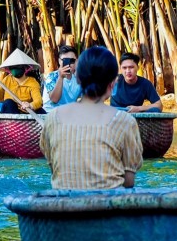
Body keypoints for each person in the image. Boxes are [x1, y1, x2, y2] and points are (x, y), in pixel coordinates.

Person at [40, 46, 143, 189]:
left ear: (79, 79)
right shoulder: (125, 121)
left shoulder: (53, 119)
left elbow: (54, 169)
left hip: (64, 207)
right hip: (107, 207)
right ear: (112, 83)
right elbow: (129, 181)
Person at [0, 48, 46, 114]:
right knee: (9, 102)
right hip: (10, 113)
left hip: (27, 113)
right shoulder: (7, 80)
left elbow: (38, 101)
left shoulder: (32, 82)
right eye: (13, 67)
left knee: (40, 110)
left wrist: (30, 105)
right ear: (9, 69)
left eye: (18, 66)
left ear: (25, 68)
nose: (15, 69)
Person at [42, 45, 81, 112]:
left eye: (71, 60)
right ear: (59, 61)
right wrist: (60, 77)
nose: (68, 64)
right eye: (65, 60)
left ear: (76, 62)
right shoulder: (52, 76)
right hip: (49, 114)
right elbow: (54, 99)